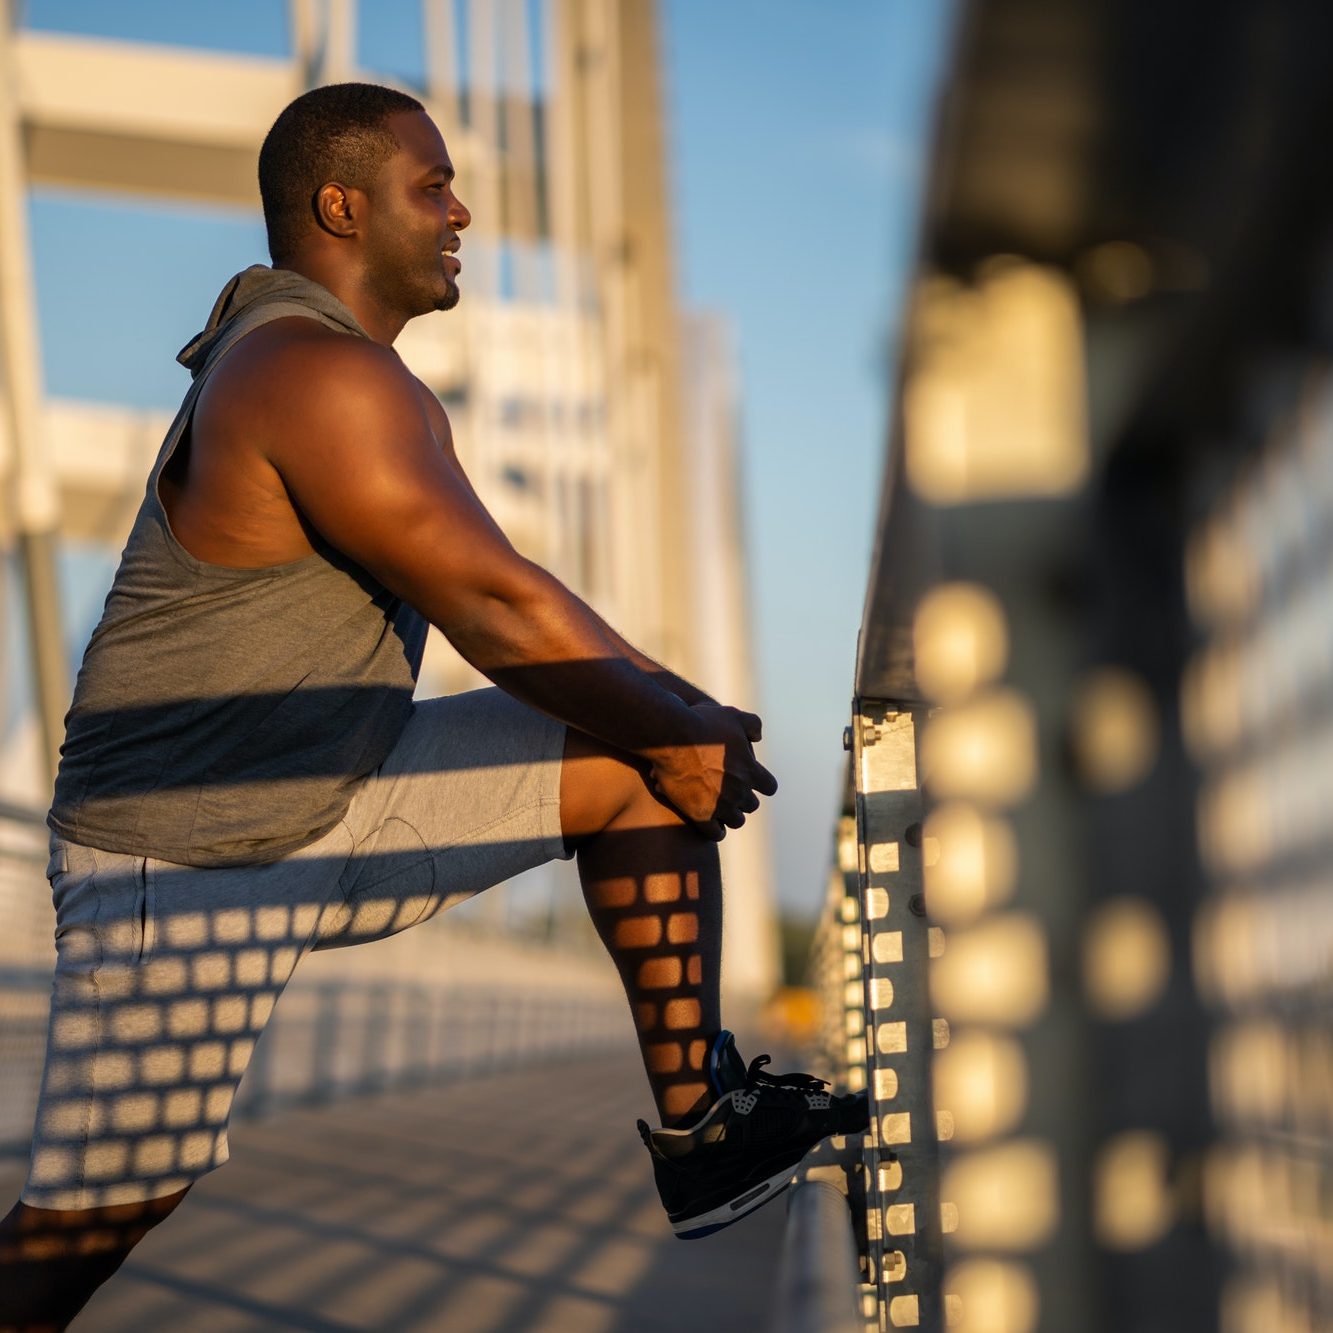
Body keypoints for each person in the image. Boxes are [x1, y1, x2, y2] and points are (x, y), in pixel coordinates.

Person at [0, 83, 865, 1328]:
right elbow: (490, 608)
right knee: (101, 1214)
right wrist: (678, 725)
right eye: (432, 186)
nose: (462, 210)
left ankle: (707, 1126)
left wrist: (683, 721)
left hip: (341, 787)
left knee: (623, 754)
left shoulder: (362, 378)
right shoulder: (302, 375)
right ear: (341, 207)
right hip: (184, 854)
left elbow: (521, 590)